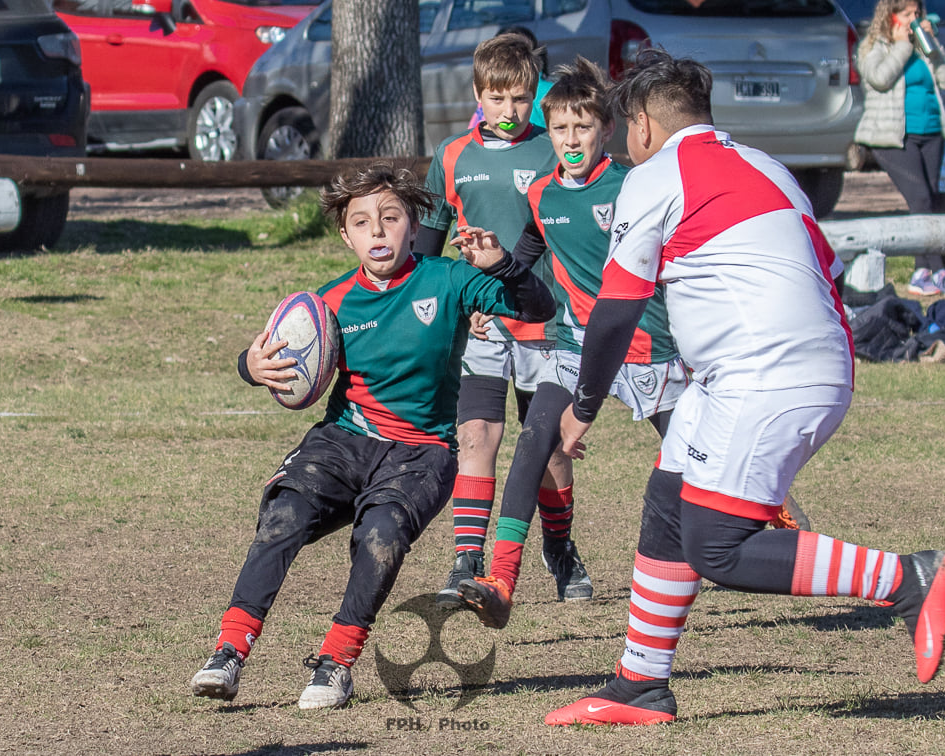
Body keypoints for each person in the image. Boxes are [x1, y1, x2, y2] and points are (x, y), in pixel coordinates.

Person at [545, 49, 945, 727]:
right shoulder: (767, 165)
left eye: (622, 130)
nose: (622, 143)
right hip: (784, 365)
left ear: (643, 123)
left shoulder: (656, 176)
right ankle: (640, 685)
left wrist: (582, 407)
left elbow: (614, 308)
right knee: (669, 501)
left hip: (766, 372)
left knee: (718, 545)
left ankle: (907, 580)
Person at [189, 165, 555, 711]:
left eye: (390, 218)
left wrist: (501, 265)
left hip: (421, 452)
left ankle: (336, 664)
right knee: (282, 516)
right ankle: (229, 651)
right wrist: (250, 366)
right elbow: (272, 352)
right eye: (362, 222)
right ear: (346, 235)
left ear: (413, 225)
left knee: (380, 534)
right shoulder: (329, 302)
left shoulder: (450, 279)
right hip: (343, 438)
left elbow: (538, 307)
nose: (378, 232)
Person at [453, 57, 686, 627]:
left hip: (647, 346)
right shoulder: (542, 195)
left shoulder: (633, 185)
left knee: (701, 458)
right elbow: (526, 262)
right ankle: (501, 580)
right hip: (573, 344)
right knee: (535, 442)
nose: (571, 139)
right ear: (548, 130)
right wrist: (495, 274)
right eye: (560, 128)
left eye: (583, 127)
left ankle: (771, 526)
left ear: (606, 130)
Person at [414, 33, 577, 608]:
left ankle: (559, 547)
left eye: (521, 99)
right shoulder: (452, 156)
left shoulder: (554, 150)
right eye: (499, 98)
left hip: (546, 320)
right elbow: (430, 253)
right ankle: (466, 558)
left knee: (550, 447)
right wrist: (448, 313)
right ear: (478, 95)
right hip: (482, 324)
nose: (510, 112)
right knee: (476, 435)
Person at [854, 0, 945, 297]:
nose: (914, 19)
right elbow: (878, 79)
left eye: (918, 14)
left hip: (932, 133)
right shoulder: (874, 45)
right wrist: (903, 46)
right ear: (891, 17)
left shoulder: (922, 46)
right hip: (892, 137)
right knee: (920, 199)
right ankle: (937, 270)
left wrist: (935, 48)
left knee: (934, 201)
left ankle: (923, 269)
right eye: (907, 15)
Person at [468, 26, 554, 131]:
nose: (509, 113)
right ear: (478, 92)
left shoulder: (550, 93)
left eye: (519, 99)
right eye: (497, 99)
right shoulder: (457, 145)